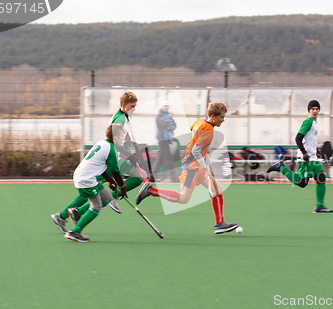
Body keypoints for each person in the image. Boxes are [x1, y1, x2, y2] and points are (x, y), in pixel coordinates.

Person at [135, 102, 239, 234]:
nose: (223, 120)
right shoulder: (208, 130)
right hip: (193, 167)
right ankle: (151, 191)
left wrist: (206, 148)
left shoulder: (200, 122)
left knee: (217, 190)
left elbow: (194, 134)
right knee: (184, 199)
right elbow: (196, 150)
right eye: (221, 117)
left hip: (194, 165)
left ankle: (220, 224)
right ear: (213, 116)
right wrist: (205, 166)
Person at [68, 91, 152, 221]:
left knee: (96, 189)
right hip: (114, 157)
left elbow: (121, 136)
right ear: (124, 105)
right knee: (136, 177)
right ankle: (82, 211)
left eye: (135, 106)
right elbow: (116, 138)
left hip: (115, 155)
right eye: (131, 106)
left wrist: (128, 141)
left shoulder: (124, 116)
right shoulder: (121, 119)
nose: (134, 109)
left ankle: (77, 212)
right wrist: (129, 156)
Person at [51, 123, 128, 242]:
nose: (123, 140)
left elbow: (101, 167)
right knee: (96, 205)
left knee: (108, 197)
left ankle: (72, 217)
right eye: (122, 137)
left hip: (86, 177)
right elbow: (115, 171)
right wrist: (122, 187)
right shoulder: (112, 150)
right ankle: (75, 232)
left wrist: (111, 181)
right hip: (85, 179)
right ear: (116, 137)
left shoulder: (102, 143)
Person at [266, 100, 333, 213]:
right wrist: (304, 153)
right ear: (309, 110)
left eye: (317, 109)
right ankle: (280, 167)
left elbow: (310, 141)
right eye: (313, 109)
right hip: (306, 159)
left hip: (313, 158)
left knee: (321, 179)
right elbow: (298, 138)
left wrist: (316, 152)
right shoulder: (308, 122)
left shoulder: (315, 122)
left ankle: (320, 206)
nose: (315, 111)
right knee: (302, 183)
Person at [154, 101, 179, 182]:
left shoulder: (168, 116)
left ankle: (152, 175)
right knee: (168, 158)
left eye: (167, 106)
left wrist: (169, 126)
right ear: (162, 107)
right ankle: (174, 177)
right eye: (165, 106)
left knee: (160, 159)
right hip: (162, 139)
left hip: (167, 139)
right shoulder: (159, 116)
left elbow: (174, 125)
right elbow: (164, 125)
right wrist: (169, 121)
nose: (166, 107)